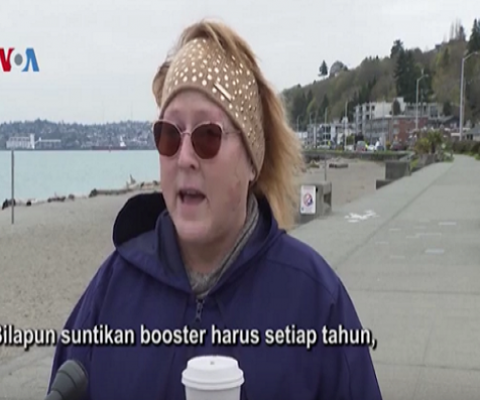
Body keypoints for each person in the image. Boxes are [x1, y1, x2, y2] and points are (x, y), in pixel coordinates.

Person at [48, 20, 382, 400]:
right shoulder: (112, 290)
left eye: (207, 136)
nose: (184, 158)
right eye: (169, 135)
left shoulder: (315, 300)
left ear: (252, 161)